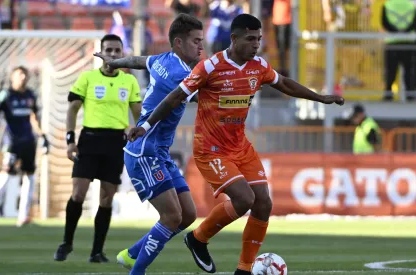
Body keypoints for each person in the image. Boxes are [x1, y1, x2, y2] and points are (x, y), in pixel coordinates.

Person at [127, 13, 344, 275]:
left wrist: (320, 98)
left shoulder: (259, 67)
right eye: (250, 39)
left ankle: (244, 269)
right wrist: (145, 126)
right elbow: (174, 97)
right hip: (210, 149)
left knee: (263, 203)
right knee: (244, 198)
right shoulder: (209, 67)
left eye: (259, 39)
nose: (256, 45)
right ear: (234, 39)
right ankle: (198, 238)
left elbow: (284, 83)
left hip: (240, 147)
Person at [94, 13, 203, 275]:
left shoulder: (164, 60)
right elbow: (204, 97)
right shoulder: (181, 74)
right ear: (179, 43)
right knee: (172, 217)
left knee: (187, 215)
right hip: (144, 151)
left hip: (158, 152)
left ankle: (133, 254)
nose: (202, 47)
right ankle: (137, 271)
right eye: (196, 41)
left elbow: (139, 61)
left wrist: (115, 62)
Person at [53, 34, 142, 263]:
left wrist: (141, 136)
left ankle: (96, 251)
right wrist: (70, 140)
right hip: (90, 139)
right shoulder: (88, 78)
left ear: (123, 54)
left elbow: (138, 114)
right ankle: (66, 242)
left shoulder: (129, 81)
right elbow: (73, 108)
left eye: (116, 51)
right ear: (100, 53)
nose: (112, 54)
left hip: (116, 142)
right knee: (78, 193)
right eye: (108, 50)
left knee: (106, 199)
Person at [0, 66, 49, 227]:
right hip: (12, 143)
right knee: (5, 176)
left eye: (25, 75)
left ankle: (23, 216)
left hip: (29, 143)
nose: (23, 78)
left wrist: (42, 136)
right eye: (20, 75)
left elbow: (34, 118)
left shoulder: (31, 95)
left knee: (30, 177)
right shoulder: (6, 95)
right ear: (13, 77)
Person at [382, 0, 416, 101]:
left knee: (391, 71)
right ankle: (410, 96)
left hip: (392, 43)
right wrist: (405, 32)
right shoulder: (411, 5)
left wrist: (396, 32)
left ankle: (388, 95)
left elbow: (384, 23)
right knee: (408, 71)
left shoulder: (387, 5)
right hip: (408, 43)